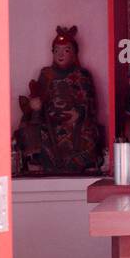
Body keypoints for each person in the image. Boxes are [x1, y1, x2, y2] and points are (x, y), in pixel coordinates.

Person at [33, 25, 105, 173]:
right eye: (56, 51)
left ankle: (82, 163)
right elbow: (38, 97)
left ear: (74, 53)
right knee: (38, 134)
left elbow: (89, 102)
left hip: (76, 122)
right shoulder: (46, 74)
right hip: (51, 121)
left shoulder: (81, 75)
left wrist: (78, 114)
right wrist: (36, 106)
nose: (61, 54)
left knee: (88, 135)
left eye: (66, 50)